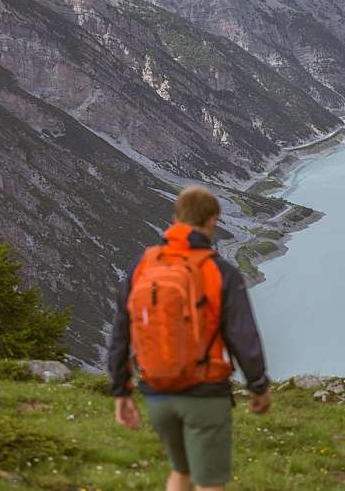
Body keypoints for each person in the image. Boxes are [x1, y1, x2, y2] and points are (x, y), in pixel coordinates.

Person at [107, 185, 271, 491]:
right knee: (209, 482)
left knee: (180, 471)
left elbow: (120, 333)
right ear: (213, 220)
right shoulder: (220, 271)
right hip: (204, 392)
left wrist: (121, 392)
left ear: (175, 218)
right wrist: (258, 386)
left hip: (157, 391)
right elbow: (242, 336)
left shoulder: (142, 267)